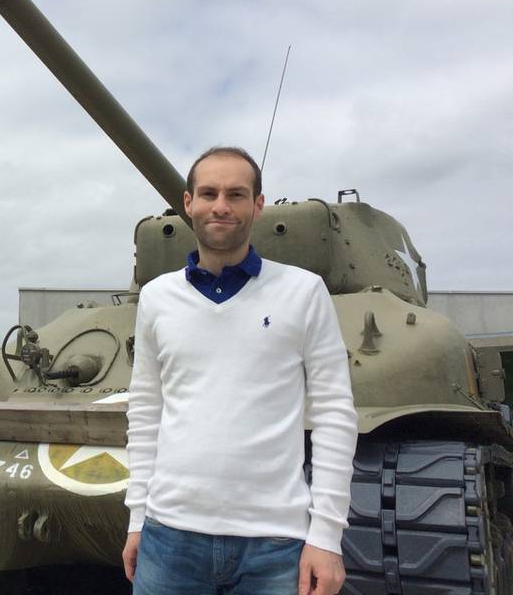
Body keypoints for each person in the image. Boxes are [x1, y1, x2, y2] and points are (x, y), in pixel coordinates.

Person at [122, 146, 358, 595]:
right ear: (187, 202)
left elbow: (334, 414)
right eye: (208, 193)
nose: (221, 206)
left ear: (258, 204)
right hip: (168, 538)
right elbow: (146, 411)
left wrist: (326, 538)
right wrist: (137, 518)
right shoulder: (156, 298)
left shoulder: (304, 292)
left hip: (275, 543)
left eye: (236, 194)